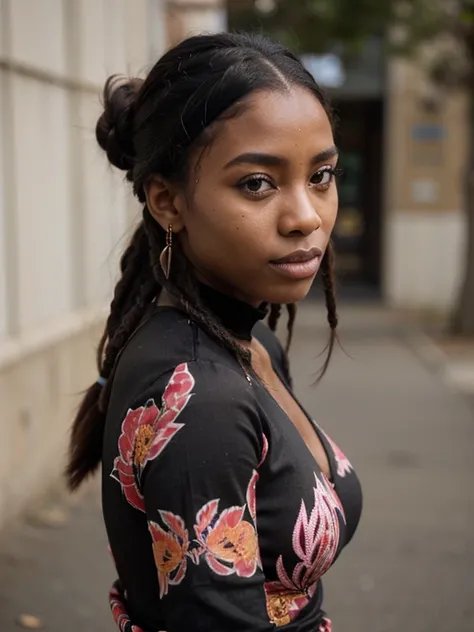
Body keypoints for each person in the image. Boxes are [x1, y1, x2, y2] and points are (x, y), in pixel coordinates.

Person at [66, 31, 362, 632]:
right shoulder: (198, 395)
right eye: (258, 182)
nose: (305, 216)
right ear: (167, 202)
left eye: (322, 175)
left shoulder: (249, 343)